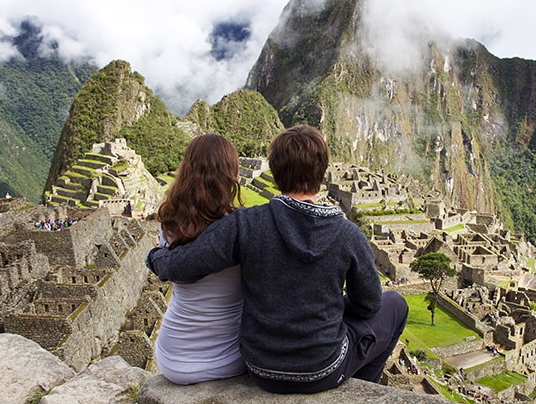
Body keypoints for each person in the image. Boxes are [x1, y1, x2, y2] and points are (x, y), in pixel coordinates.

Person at [147, 125, 409, 394]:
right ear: (323, 172)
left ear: (273, 171)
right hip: (322, 369)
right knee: (395, 305)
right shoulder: (348, 234)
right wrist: (324, 309)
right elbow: (369, 305)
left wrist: (155, 256)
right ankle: (361, 392)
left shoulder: (245, 224)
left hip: (260, 368)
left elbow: (183, 266)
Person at [153, 133, 246, 384]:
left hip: (170, 356)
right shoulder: (239, 227)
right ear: (230, 172)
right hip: (224, 358)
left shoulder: (167, 222)